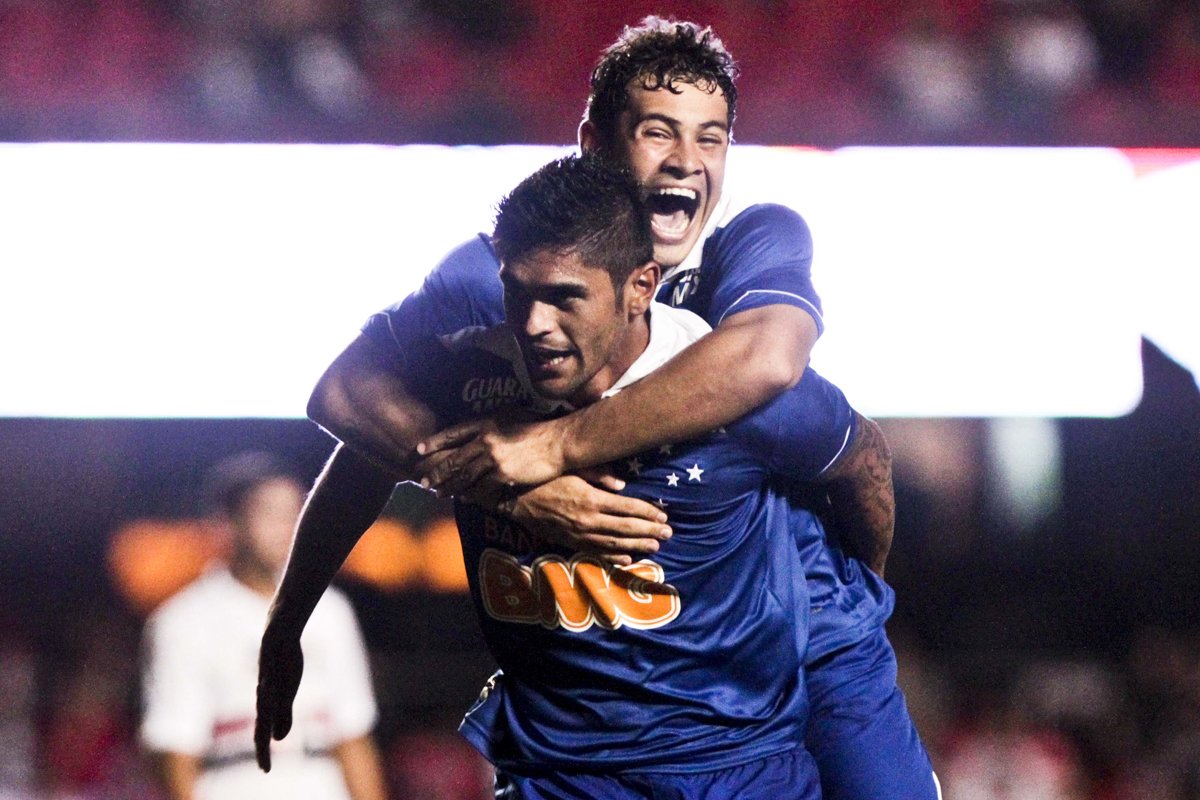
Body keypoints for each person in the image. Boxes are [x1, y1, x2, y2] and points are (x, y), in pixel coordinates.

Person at [305, 17, 938, 800]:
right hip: (623, 685)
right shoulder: (503, 279)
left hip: (811, 630)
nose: (686, 160)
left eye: (711, 139)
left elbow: (793, 385)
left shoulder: (753, 252)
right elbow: (358, 412)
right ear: (596, 143)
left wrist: (547, 453)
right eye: (657, 132)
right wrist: (508, 488)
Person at [258, 153, 872, 798]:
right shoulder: (475, 375)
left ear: (640, 287)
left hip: (735, 769)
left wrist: (863, 610)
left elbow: (867, 464)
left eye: (563, 298)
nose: (533, 323)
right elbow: (354, 429)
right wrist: (287, 616)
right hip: (554, 774)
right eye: (517, 291)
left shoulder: (732, 387)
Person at [140, 452, 388, 800]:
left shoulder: (331, 610)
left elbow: (353, 737)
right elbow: (176, 752)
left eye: (293, 514)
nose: (285, 529)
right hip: (235, 782)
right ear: (229, 524)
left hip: (320, 782)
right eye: (269, 514)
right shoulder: (182, 620)